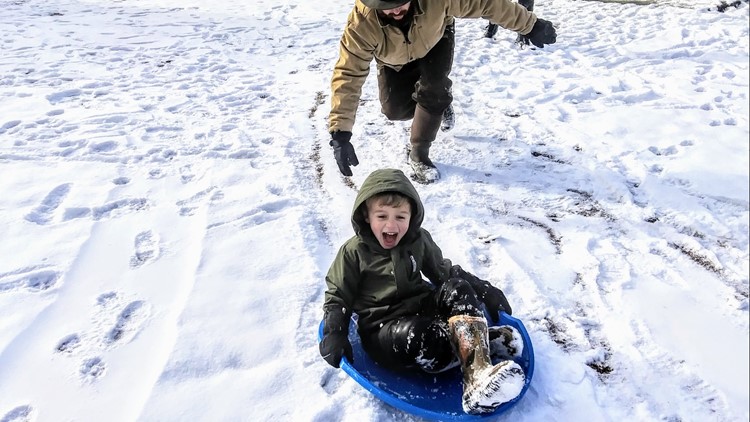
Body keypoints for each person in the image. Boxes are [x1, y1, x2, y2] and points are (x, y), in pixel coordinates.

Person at [318, 168, 525, 414]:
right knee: (420, 334)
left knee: (457, 288)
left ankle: (477, 376)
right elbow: (338, 295)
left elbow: (444, 272)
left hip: (422, 308)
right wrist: (335, 331)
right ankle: (481, 342)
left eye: (400, 217)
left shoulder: (419, 239)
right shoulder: (353, 252)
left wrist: (482, 289)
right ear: (366, 216)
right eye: (382, 216)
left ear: (412, 216)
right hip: (385, 329)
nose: (391, 225)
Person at [327, 0, 557, 184]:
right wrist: (340, 132)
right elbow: (348, 74)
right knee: (395, 111)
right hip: (394, 61)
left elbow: (487, 3)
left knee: (434, 90)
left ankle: (419, 152)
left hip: (435, 39)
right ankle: (438, 106)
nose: (396, 10)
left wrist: (530, 25)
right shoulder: (361, 25)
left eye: (400, 2)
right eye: (386, 6)